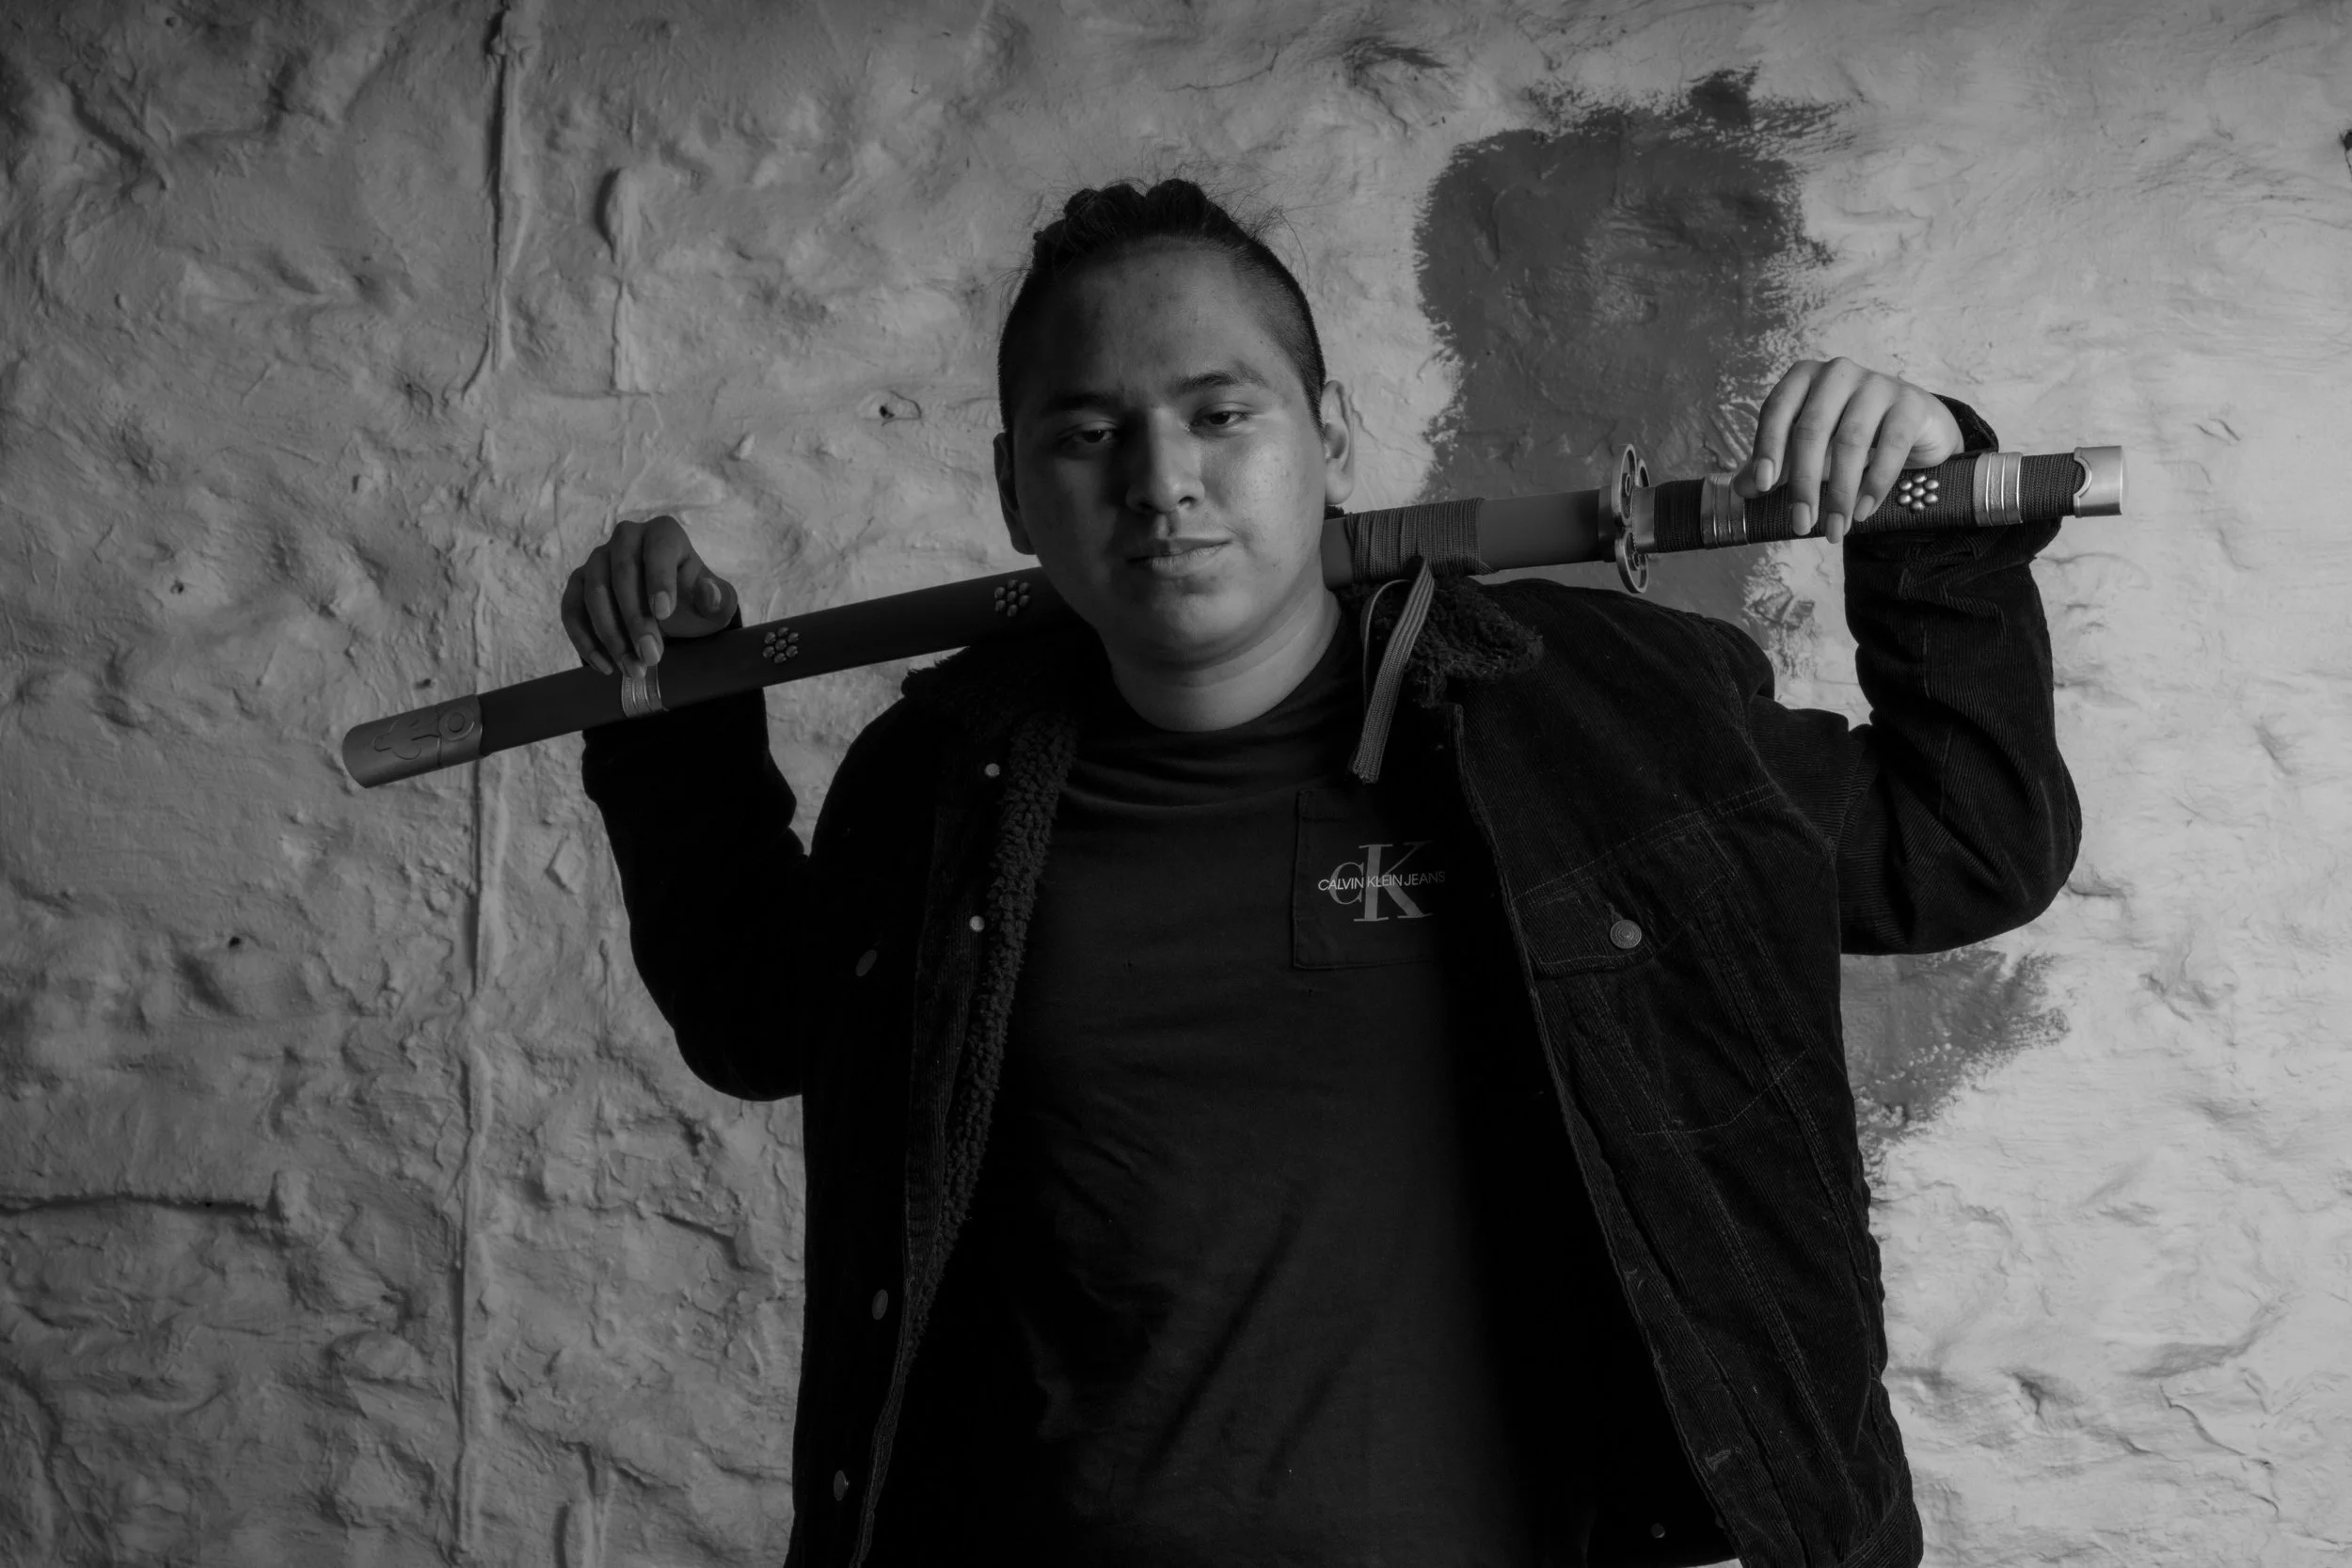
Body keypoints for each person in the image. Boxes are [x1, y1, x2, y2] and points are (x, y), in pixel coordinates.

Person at [564, 179, 2077, 1568]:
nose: (1163, 482)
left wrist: (1927, 495)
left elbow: (1964, 845)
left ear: (1332, 434)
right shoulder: (938, 778)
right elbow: (758, 1018)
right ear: (1016, 490)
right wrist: (674, 720)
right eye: (1087, 434)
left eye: (1222, 412)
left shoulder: (1602, 723)